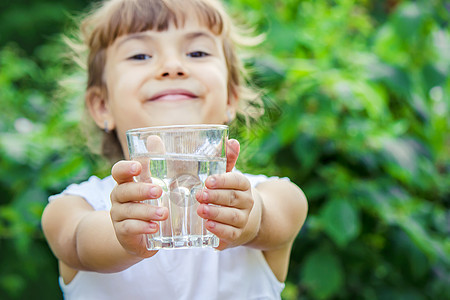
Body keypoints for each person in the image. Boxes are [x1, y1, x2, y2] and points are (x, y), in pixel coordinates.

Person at [41, 0, 308, 299]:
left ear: (231, 97)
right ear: (102, 105)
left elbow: (276, 219)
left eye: (197, 52)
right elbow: (79, 242)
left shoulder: (275, 197)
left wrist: (248, 217)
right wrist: (124, 236)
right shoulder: (73, 209)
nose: (171, 67)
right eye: (140, 55)